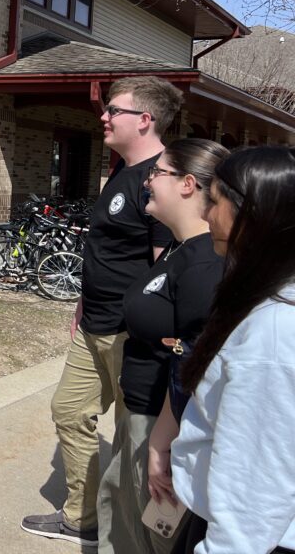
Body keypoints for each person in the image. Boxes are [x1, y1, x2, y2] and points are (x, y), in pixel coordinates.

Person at [22, 76, 182, 547]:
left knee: (138, 444)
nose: (105, 116)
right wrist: (82, 301)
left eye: (115, 110)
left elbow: (165, 269)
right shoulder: (121, 171)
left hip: (130, 335)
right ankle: (82, 518)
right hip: (93, 324)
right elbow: (107, 251)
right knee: (69, 411)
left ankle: (144, 540)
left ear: (145, 120)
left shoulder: (163, 177)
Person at [146, 146, 295, 554]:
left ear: (254, 216)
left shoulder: (274, 333)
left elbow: (255, 491)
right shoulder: (268, 303)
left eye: (215, 202)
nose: (207, 214)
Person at [97, 139, 228, 554]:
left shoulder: (206, 264)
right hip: (141, 414)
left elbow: (195, 361)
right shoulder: (179, 248)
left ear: (188, 184)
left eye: (158, 172)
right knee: (123, 523)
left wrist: (161, 443)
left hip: (161, 425)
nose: (147, 180)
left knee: (150, 540)